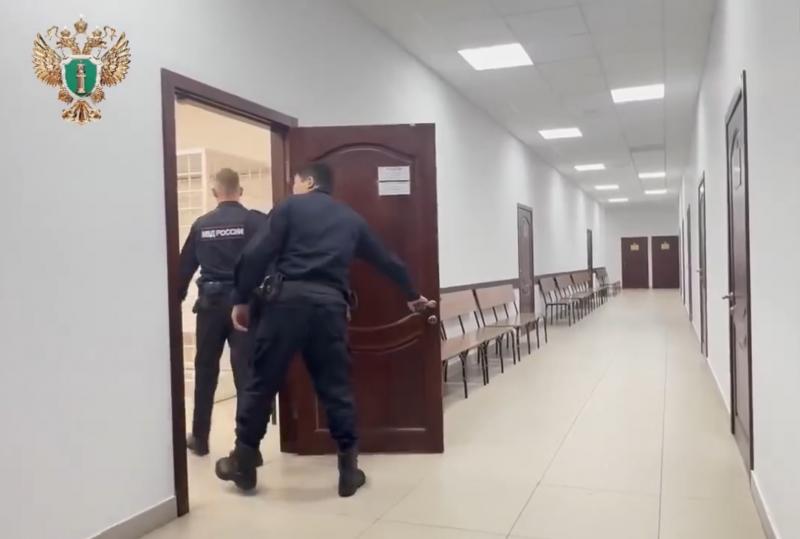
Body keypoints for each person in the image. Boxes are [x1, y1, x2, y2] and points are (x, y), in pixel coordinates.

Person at [215, 162, 430, 496]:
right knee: (336, 388)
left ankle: (244, 460)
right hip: (330, 309)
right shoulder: (351, 219)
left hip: (284, 305)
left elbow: (256, 254)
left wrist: (240, 298)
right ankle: (348, 471)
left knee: (261, 382)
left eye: (295, 182)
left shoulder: (289, 207)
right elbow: (387, 260)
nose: (293, 187)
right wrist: (412, 295)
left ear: (309, 182)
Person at [178, 167, 269, 457]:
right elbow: (272, 260)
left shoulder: (201, 225)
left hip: (210, 306)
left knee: (205, 371)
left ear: (214, 192)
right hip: (244, 306)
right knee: (246, 375)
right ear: (240, 191)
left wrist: (175, 301)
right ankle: (247, 447)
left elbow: (183, 269)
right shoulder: (255, 222)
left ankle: (200, 438)